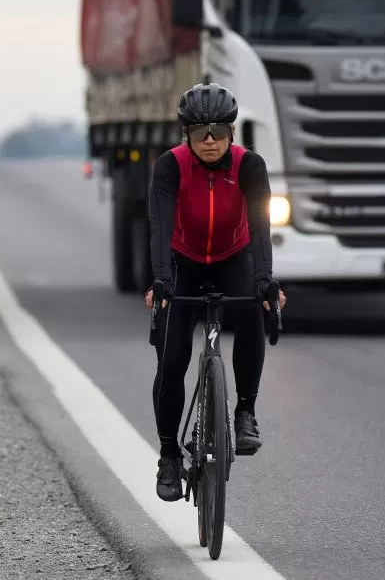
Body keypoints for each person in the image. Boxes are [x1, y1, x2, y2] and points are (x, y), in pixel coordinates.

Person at [145, 83, 287, 503]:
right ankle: (169, 454)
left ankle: (245, 411)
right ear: (186, 134)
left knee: (251, 314)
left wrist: (265, 281)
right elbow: (160, 226)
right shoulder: (170, 166)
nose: (211, 140)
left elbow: (261, 229)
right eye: (201, 130)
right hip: (183, 262)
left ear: (232, 132)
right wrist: (161, 282)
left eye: (220, 130)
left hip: (233, 257)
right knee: (171, 361)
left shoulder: (250, 166)